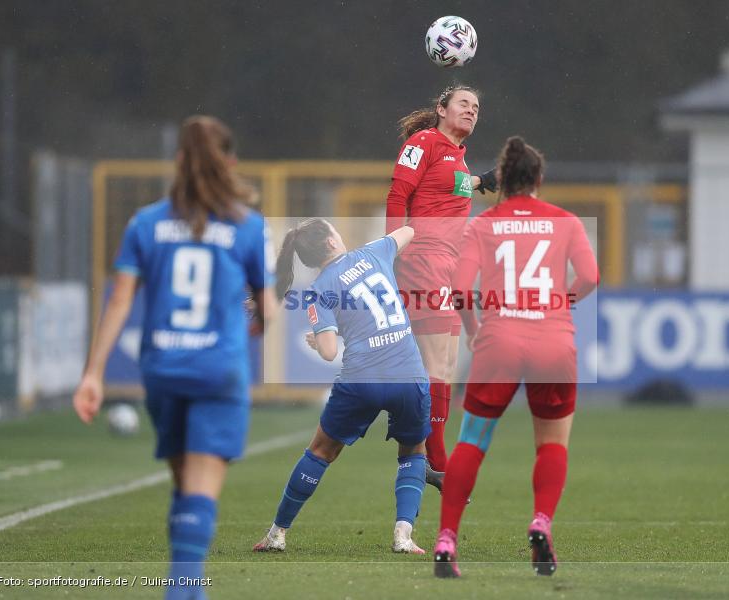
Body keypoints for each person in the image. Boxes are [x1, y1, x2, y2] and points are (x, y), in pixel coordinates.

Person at [72, 115, 278, 600]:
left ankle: (185, 589)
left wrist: (93, 374)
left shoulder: (145, 223)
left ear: (179, 161)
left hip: (163, 369)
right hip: (218, 369)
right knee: (200, 488)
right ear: (230, 162)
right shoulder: (247, 226)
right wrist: (259, 324)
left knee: (182, 483)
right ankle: (183, 590)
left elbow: (120, 301)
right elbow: (269, 306)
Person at [432, 137, 599, 578]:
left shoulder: (482, 225)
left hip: (499, 339)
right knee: (551, 443)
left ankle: (447, 540)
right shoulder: (565, 222)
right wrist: (562, 300)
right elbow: (591, 276)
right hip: (553, 342)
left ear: (502, 180)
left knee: (471, 441)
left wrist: (474, 333)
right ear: (539, 179)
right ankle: (541, 521)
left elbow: (461, 289)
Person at [252, 219, 431, 555]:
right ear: (332, 242)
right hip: (408, 374)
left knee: (320, 451)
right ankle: (403, 536)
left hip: (362, 380)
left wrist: (319, 341)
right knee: (413, 451)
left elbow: (330, 351)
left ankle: (277, 533)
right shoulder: (375, 252)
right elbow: (410, 231)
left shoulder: (319, 288)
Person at [386, 85, 497, 486]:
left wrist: (481, 180)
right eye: (464, 104)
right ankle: (437, 457)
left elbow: (448, 188)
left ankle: (425, 444)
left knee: (445, 366)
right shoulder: (424, 141)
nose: (472, 111)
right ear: (441, 108)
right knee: (435, 363)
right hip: (424, 258)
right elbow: (399, 192)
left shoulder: (457, 157)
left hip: (448, 264)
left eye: (477, 107)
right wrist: (391, 248)